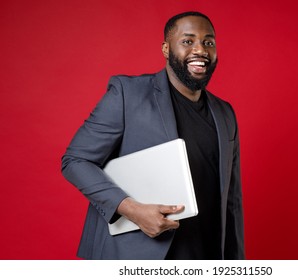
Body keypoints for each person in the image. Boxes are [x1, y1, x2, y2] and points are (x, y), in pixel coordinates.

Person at [61, 11, 244, 260]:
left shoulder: (225, 113)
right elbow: (76, 161)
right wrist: (132, 210)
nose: (200, 49)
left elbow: (231, 201)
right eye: (188, 41)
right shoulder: (128, 94)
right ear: (167, 49)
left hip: (205, 256)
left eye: (208, 42)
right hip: (134, 256)